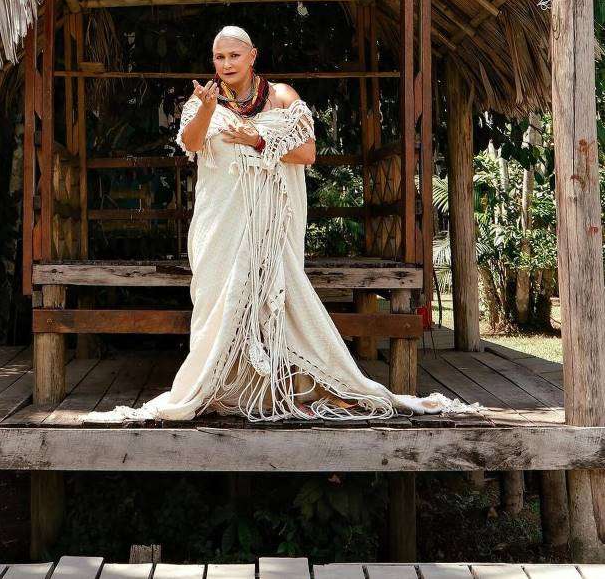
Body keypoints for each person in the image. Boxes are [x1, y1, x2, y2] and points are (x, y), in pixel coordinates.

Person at [90, 25, 477, 423]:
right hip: (219, 224)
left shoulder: (281, 97)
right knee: (217, 305)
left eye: (234, 56)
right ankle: (224, 390)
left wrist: (257, 140)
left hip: (271, 229)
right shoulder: (203, 100)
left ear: (252, 55)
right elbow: (191, 144)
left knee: (279, 302)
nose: (226, 64)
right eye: (219, 57)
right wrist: (207, 108)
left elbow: (307, 152)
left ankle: (290, 389)